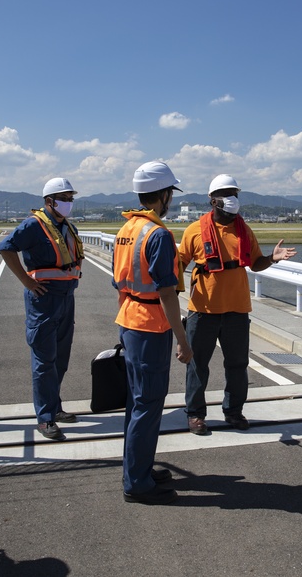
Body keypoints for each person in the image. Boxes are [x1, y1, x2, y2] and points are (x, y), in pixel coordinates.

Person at [180, 174, 296, 435]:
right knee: (197, 365)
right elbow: (179, 264)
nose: (232, 199)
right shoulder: (194, 231)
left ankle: (233, 411)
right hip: (203, 310)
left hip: (237, 310)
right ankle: (195, 414)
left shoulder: (243, 229)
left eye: (235, 194)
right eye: (226, 194)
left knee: (237, 364)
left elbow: (255, 263)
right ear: (213, 200)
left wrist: (272, 258)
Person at [113, 161, 193, 505]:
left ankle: (138, 469)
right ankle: (137, 483)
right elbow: (166, 291)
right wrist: (182, 339)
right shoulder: (157, 234)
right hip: (151, 324)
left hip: (129, 318)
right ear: (164, 195)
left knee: (136, 402)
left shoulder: (127, 228)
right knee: (148, 404)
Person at [0, 177, 84, 441]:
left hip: (66, 297)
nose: (69, 204)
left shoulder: (68, 227)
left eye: (70, 199)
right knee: (44, 360)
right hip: (43, 300)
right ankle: (45, 418)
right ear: (49, 201)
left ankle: (55, 407)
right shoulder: (34, 225)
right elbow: (5, 248)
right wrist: (26, 280)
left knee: (61, 358)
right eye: (65, 199)